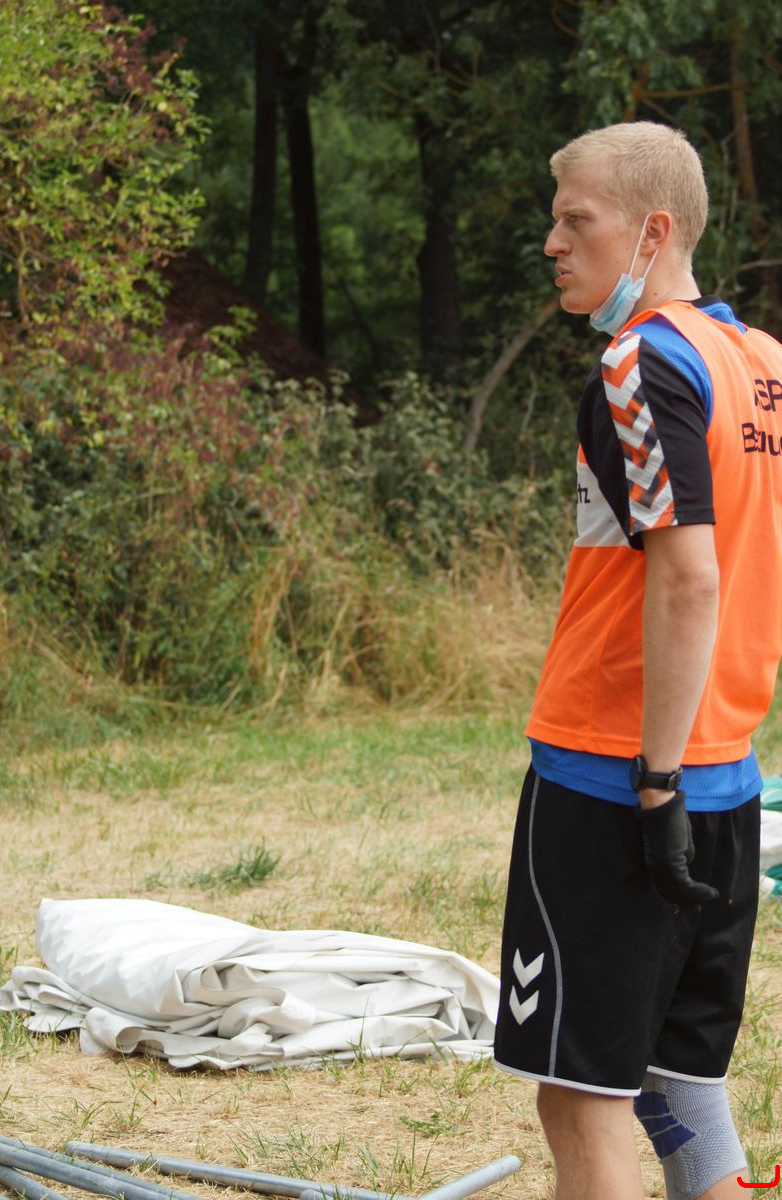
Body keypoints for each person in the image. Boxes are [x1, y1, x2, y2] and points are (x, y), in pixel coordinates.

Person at [493, 121, 782, 1200]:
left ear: (652, 232)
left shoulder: (639, 361)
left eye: (577, 220)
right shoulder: (764, 366)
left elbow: (691, 577)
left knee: (580, 1102)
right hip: (730, 774)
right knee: (679, 1091)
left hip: (617, 775)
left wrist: (655, 779)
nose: (551, 243)